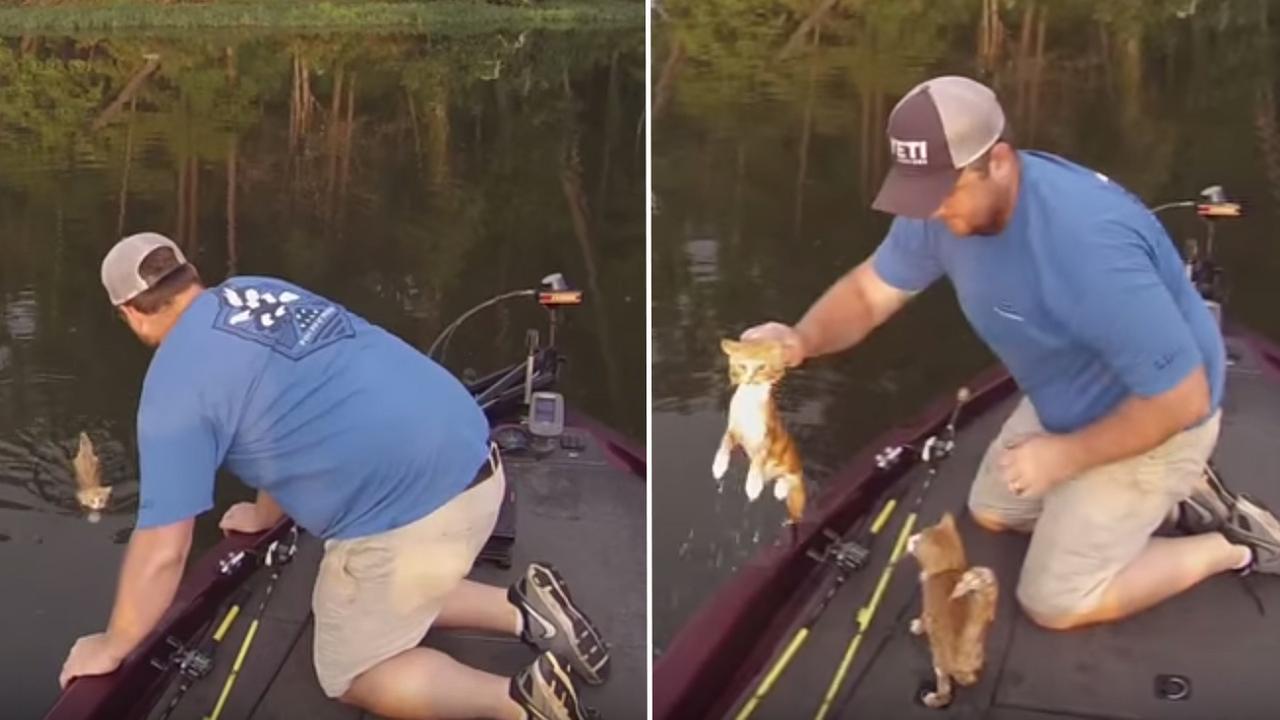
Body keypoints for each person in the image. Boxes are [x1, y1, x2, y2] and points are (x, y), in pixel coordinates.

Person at [743, 75, 1280, 631]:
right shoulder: (937, 206)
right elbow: (868, 292)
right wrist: (801, 339)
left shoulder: (1090, 247)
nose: (930, 215)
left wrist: (1066, 456)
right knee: (995, 514)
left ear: (998, 162)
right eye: (919, 193)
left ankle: (1232, 545)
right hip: (1067, 394)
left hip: (1157, 412)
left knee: (1056, 603)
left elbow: (1183, 400)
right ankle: (1168, 504)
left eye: (945, 193)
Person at [59, 232, 609, 720]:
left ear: (130, 312)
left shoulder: (172, 391)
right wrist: (261, 513)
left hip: (415, 514)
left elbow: (162, 552)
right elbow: (284, 413)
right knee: (360, 595)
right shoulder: (257, 292)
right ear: (191, 277)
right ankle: (524, 609)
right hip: (476, 458)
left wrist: (114, 644)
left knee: (350, 673)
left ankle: (519, 702)